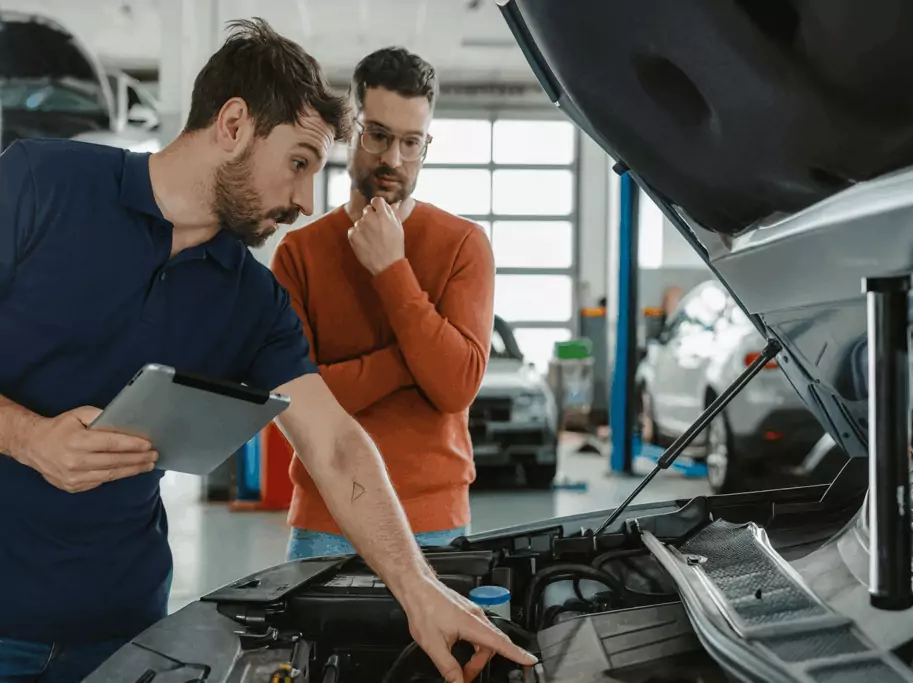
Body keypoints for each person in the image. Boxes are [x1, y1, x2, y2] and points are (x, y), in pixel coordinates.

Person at [0, 19, 532, 683]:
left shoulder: (253, 299)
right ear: (232, 125)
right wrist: (28, 438)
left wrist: (420, 589)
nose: (307, 200)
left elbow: (335, 444)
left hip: (126, 627)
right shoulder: (39, 184)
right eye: (300, 163)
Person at [271, 47, 495, 561]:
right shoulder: (299, 254)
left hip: (434, 526)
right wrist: (409, 359)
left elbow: (455, 386)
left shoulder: (464, 245)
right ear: (351, 130)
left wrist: (392, 271)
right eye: (378, 136)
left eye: (412, 142)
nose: (393, 159)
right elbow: (301, 405)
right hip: (326, 521)